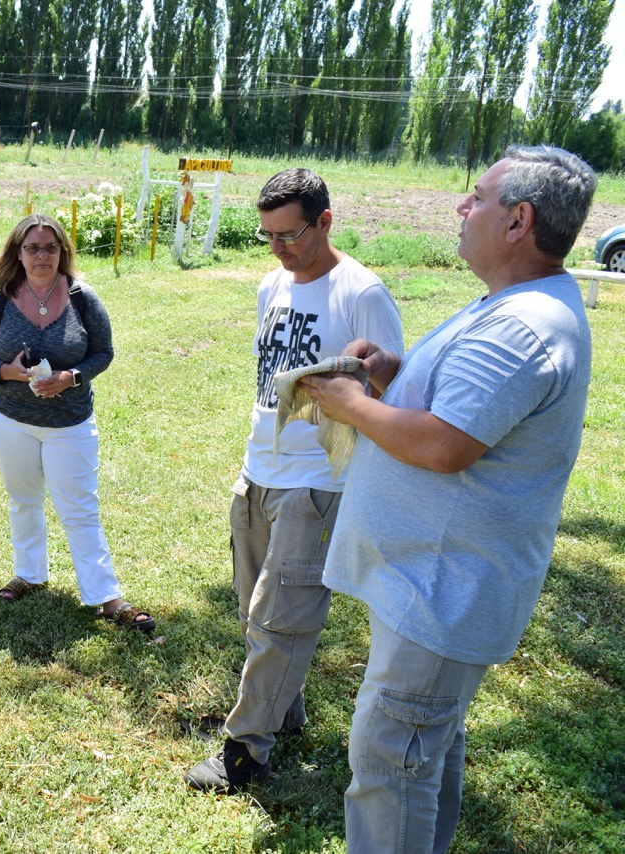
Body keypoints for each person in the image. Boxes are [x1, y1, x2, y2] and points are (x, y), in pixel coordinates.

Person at [299, 146, 597, 852]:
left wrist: (349, 404)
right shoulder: (516, 306)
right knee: (420, 754)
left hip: (442, 589)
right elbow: (464, 409)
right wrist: (392, 376)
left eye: (478, 197)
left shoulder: (523, 325)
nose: (462, 206)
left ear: (519, 221)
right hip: (432, 582)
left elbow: (445, 446)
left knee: (391, 760)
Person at [185, 169, 404, 793]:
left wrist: (368, 376)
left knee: (281, 620)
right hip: (259, 471)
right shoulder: (271, 284)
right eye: (268, 235)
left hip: (317, 483)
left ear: (325, 221)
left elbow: (396, 386)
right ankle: (283, 710)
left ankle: (246, 751)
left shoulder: (361, 292)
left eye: (290, 234)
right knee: (254, 612)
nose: (278, 247)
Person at [0, 213, 155, 631]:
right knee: (24, 500)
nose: (42, 255)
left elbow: (104, 353)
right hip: (9, 420)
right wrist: (7, 371)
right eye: (33, 248)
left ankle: (107, 598)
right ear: (19, 253)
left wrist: (71, 377)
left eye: (50, 247)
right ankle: (29, 575)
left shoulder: (82, 298)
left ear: (62, 252)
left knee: (80, 510)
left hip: (70, 423)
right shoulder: (3, 297)